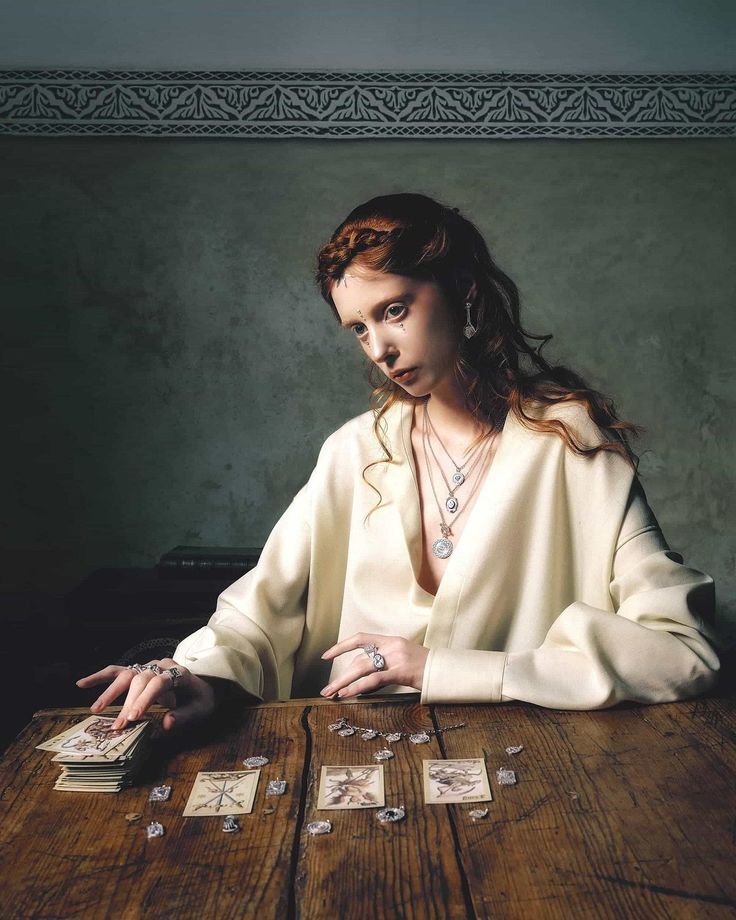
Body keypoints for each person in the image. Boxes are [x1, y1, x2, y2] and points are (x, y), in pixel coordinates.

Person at [78, 192, 721, 733]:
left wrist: (446, 669)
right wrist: (194, 676)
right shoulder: (356, 450)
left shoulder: (570, 445)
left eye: (394, 310)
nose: (380, 348)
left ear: (464, 293)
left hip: (536, 763)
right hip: (356, 758)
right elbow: (257, 612)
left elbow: (683, 650)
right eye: (358, 328)